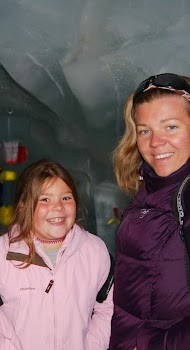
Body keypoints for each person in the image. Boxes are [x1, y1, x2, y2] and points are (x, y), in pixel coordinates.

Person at [0, 158, 113, 349]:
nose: (58, 207)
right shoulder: (0, 256)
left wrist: (92, 346)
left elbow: (109, 309)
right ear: (23, 205)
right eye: (45, 199)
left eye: (66, 198)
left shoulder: (94, 251)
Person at [109, 73, 190, 350]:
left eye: (170, 127)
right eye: (145, 130)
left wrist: (148, 345)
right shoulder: (150, 188)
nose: (155, 142)